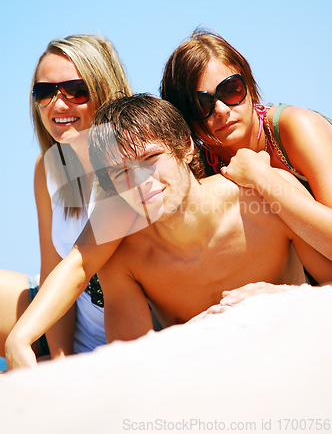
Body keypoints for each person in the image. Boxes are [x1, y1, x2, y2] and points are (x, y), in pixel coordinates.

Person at [6, 94, 332, 368]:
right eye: (121, 173)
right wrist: (20, 338)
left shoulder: (263, 201)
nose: (141, 181)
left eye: (151, 157)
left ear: (186, 147)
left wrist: (282, 297)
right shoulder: (124, 256)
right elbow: (132, 365)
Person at [0, 34, 133, 364]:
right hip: (72, 326)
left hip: (128, 336)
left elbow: (81, 266)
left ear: (105, 89)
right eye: (45, 93)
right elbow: (52, 271)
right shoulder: (50, 167)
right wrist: (60, 361)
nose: (58, 105)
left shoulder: (133, 163)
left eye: (76, 90)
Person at [160, 29, 332, 265]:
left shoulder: (297, 127)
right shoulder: (197, 168)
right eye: (201, 104)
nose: (220, 110)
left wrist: (261, 177)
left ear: (249, 85)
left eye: (230, 89)